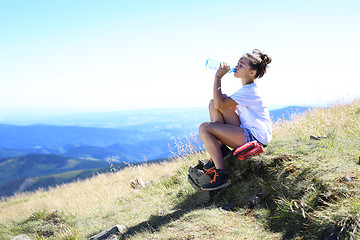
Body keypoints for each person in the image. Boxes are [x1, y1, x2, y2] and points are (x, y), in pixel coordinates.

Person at [199, 49, 272, 191]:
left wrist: (218, 77)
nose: (237, 66)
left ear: (252, 73)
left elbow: (221, 105)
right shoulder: (248, 88)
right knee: (214, 103)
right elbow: (219, 103)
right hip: (247, 131)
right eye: (238, 63)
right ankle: (221, 151)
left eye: (242, 65)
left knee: (204, 128)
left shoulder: (248, 91)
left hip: (254, 138)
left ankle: (222, 174)